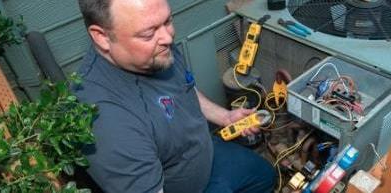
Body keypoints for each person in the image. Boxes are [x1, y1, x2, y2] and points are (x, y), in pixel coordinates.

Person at [74, 0, 276, 192]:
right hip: (183, 186)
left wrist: (225, 117)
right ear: (102, 37)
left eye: (168, 21)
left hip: (206, 152)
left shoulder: (155, 50)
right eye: (148, 33)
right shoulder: (104, 121)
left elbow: (184, 87)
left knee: (266, 177)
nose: (168, 37)